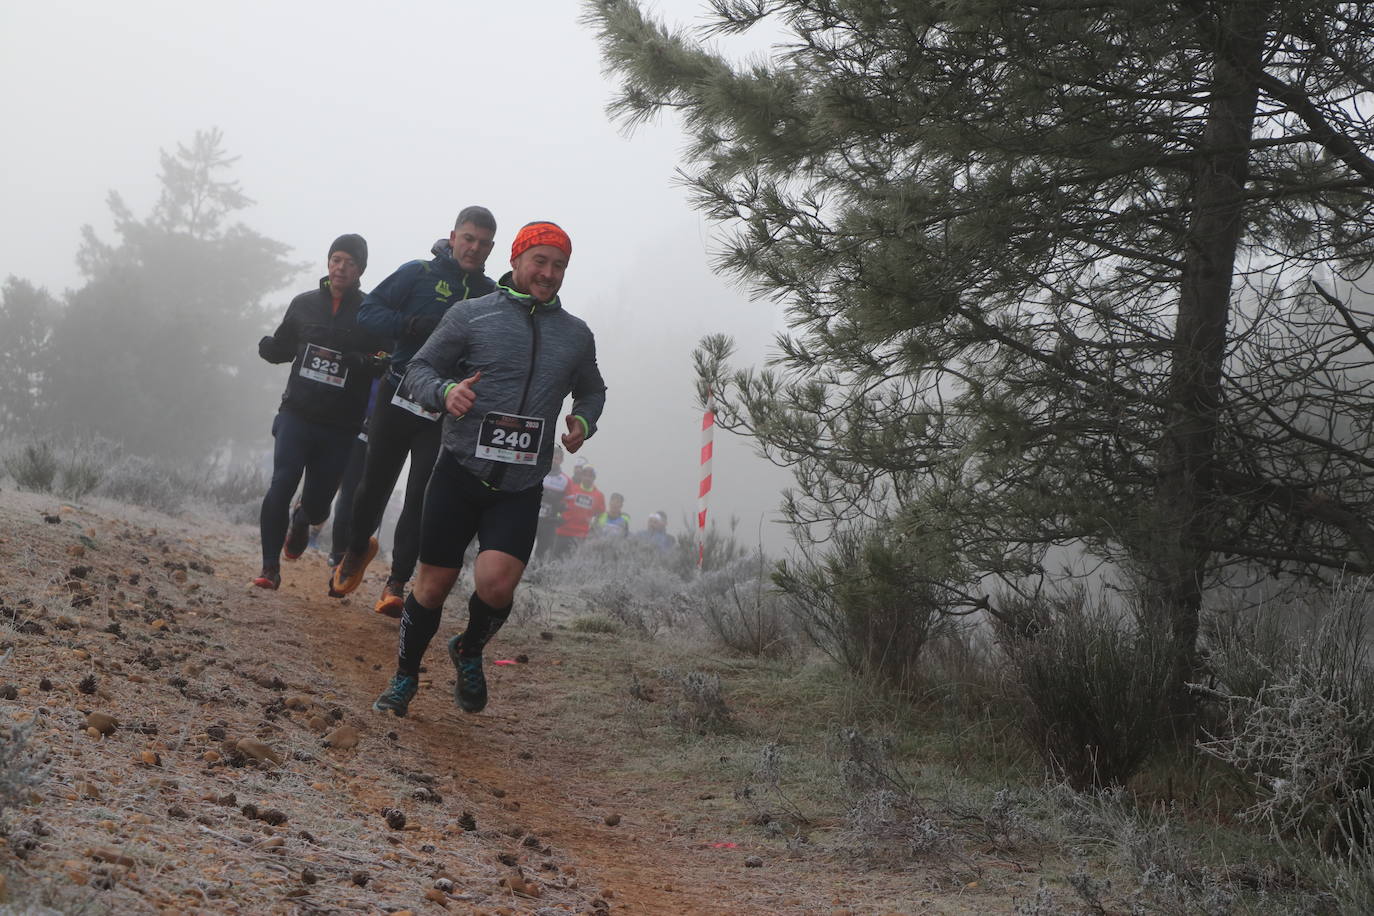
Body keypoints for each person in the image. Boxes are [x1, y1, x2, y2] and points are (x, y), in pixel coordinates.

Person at [372, 220, 605, 717]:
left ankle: (469, 649)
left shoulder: (575, 334)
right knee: (432, 586)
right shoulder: (470, 316)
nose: (548, 273)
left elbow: (592, 389)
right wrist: (445, 392)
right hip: (459, 472)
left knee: (497, 586)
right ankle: (404, 679)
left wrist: (583, 419)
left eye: (559, 265)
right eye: (539, 261)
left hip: (519, 483)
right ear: (516, 261)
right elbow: (418, 370)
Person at [330, 207, 498, 617]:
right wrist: (409, 324)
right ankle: (356, 549)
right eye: (468, 238)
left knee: (422, 496)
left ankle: (396, 584)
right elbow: (368, 312)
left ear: (491, 248)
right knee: (373, 485)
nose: (473, 248)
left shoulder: (490, 295)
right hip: (398, 392)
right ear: (453, 236)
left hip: (444, 408)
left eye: (482, 243)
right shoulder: (418, 272)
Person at [253, 234, 383, 590]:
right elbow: (284, 345)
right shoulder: (304, 304)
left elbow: (386, 358)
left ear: (360, 270)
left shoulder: (371, 313)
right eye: (336, 259)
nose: (341, 267)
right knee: (281, 484)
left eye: (350, 262)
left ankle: (303, 519)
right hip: (298, 413)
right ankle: (269, 568)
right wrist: (270, 349)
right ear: (328, 263)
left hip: (340, 427)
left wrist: (364, 362)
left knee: (319, 504)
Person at [552, 464, 606, 559]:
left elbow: (601, 514)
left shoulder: (599, 495)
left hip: (581, 537)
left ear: (594, 478)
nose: (587, 478)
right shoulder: (571, 489)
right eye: (585, 475)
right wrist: (557, 517)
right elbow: (559, 504)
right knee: (553, 561)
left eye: (590, 476)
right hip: (561, 532)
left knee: (573, 563)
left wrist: (596, 527)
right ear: (581, 476)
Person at [532, 445, 571, 561]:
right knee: (521, 545)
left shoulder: (565, 480)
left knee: (543, 551)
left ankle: (536, 576)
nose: (554, 460)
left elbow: (569, 503)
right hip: (532, 518)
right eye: (552, 457)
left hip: (549, 522)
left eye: (557, 458)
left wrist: (562, 512)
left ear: (561, 460)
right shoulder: (537, 472)